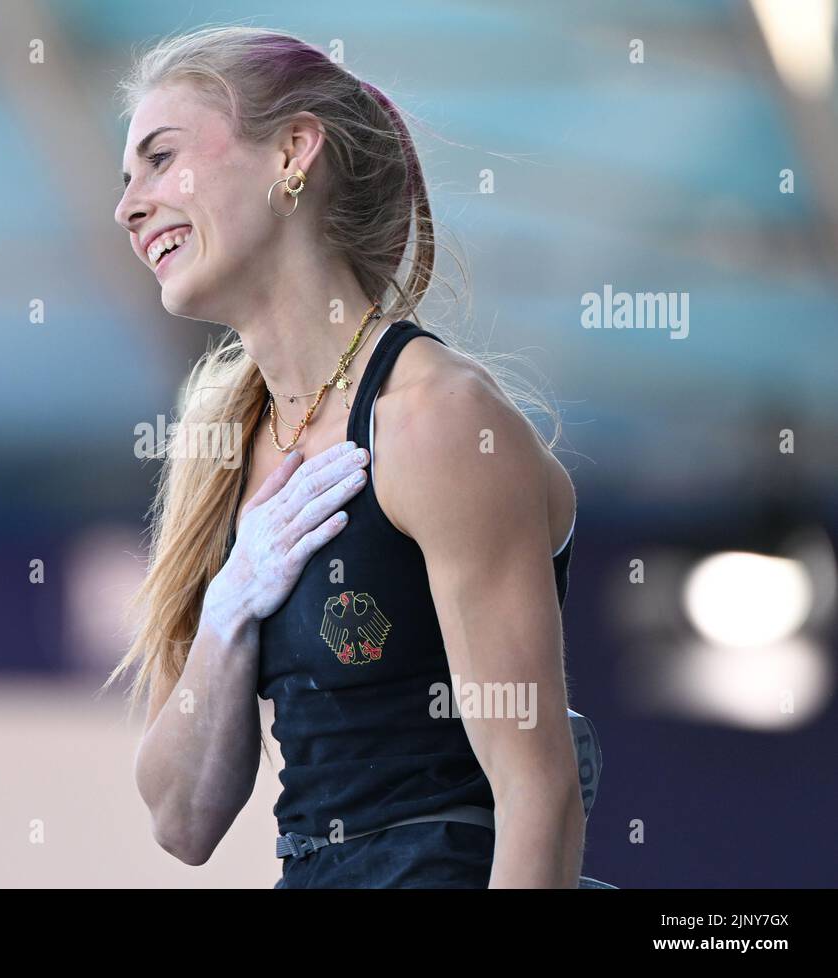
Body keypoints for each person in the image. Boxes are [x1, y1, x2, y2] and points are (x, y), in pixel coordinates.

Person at [103, 25, 590, 888]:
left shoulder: (435, 421)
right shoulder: (223, 453)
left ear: (293, 152)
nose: (129, 205)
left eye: (160, 158)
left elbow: (539, 794)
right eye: (126, 177)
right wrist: (226, 612)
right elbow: (180, 820)